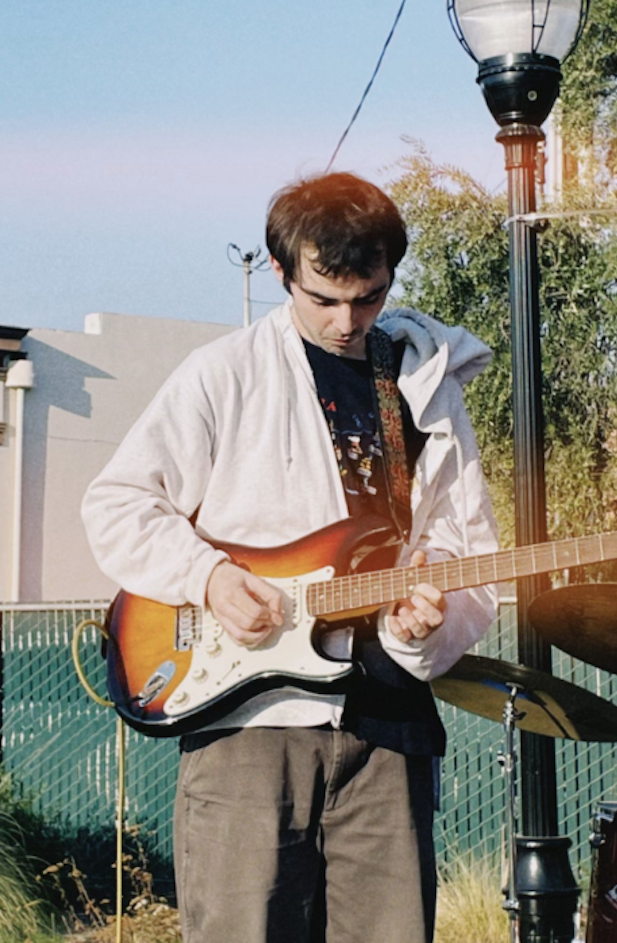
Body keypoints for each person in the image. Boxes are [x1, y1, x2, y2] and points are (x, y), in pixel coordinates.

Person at [82, 171, 499, 943]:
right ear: (280, 271)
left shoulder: (425, 386)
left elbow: (467, 548)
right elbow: (116, 503)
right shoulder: (222, 373)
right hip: (248, 729)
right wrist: (208, 576)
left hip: (388, 730)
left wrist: (424, 628)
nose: (347, 321)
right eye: (324, 298)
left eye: (369, 298)